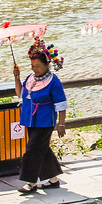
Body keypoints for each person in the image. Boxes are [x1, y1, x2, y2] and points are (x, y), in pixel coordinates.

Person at [15, 37, 69, 195]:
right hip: (30, 119)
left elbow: (61, 104)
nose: (35, 69)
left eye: (38, 66)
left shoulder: (53, 82)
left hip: (45, 121)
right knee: (42, 149)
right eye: (32, 66)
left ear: (47, 65)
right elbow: (20, 93)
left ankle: (31, 182)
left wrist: (61, 124)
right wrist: (17, 77)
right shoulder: (30, 79)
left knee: (32, 150)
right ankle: (53, 179)